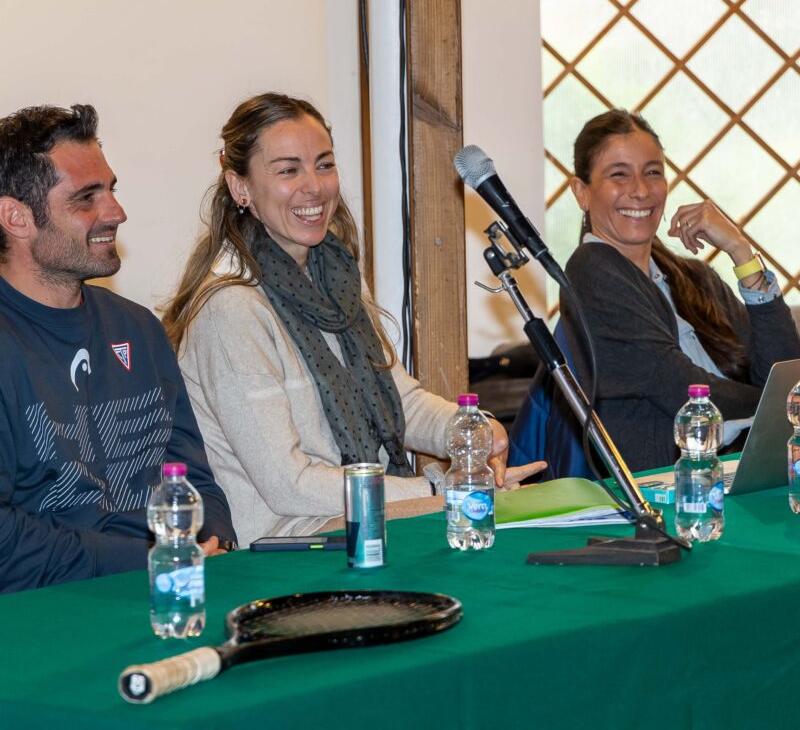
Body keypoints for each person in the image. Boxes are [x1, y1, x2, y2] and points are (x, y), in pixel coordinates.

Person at [162, 92, 544, 547]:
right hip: (288, 545)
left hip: (363, 520)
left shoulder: (336, 275)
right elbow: (289, 484)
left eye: (324, 164)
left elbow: (400, 401)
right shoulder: (231, 308)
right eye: (288, 170)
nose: (315, 186)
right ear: (239, 187)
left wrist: (472, 431)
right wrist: (440, 490)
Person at [0, 104, 236, 594]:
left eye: (111, 189)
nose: (116, 212)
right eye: (86, 198)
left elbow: (192, 476)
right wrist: (145, 560)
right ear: (16, 217)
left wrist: (215, 540)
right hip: (56, 611)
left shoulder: (138, 327)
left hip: (173, 583)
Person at [557, 108, 800, 471]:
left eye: (652, 172)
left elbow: (783, 370)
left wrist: (741, 252)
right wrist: (782, 406)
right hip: (669, 485)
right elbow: (678, 386)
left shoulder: (694, 278)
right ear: (581, 192)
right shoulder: (591, 269)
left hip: (743, 470)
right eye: (619, 174)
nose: (640, 190)